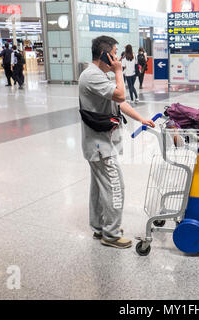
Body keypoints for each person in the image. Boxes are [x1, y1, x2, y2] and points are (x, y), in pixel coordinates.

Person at [79, 35, 154, 249]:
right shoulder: (92, 76)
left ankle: (99, 227)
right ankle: (111, 234)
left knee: (99, 187)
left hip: (99, 143)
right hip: (100, 146)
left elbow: (119, 103)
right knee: (115, 187)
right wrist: (119, 72)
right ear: (104, 54)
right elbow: (121, 94)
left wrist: (141, 119)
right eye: (114, 53)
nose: (117, 58)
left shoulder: (98, 75)